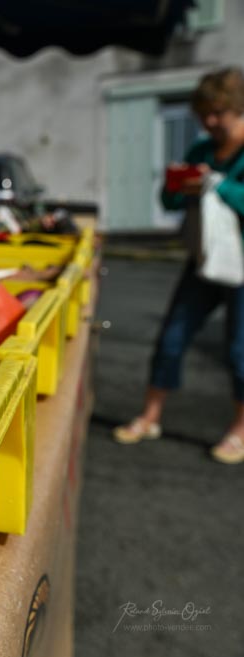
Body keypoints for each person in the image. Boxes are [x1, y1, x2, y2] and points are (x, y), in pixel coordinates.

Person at [115, 67, 244, 465]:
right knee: (172, 336)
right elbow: (170, 203)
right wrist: (178, 185)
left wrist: (218, 185)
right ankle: (150, 415)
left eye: (218, 113)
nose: (209, 122)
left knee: (240, 350)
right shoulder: (201, 151)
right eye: (204, 113)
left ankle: (240, 431)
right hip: (205, 261)